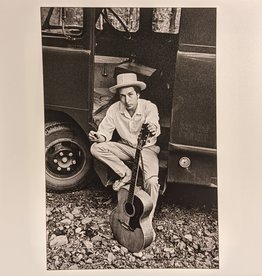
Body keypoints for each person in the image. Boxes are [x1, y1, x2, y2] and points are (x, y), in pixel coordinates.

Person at [88, 73, 161, 228]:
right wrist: (98, 137)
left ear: (138, 95)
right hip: (126, 147)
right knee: (96, 148)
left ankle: (146, 220)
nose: (127, 100)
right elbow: (105, 133)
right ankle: (125, 173)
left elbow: (154, 124)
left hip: (146, 149)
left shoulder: (149, 107)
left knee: (152, 182)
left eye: (130, 95)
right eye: (122, 96)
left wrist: (152, 128)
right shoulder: (115, 109)